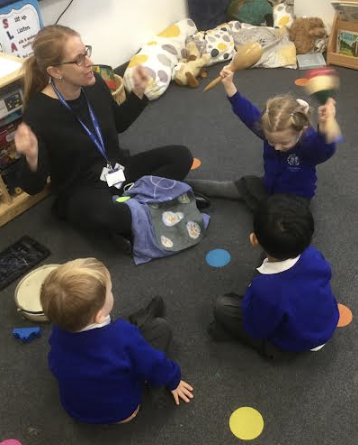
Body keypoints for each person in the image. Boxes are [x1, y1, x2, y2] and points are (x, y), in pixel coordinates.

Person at [15, 25, 194, 246]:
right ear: (55, 71)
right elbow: (33, 186)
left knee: (181, 156)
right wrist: (31, 156)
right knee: (115, 216)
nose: (89, 62)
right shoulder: (39, 114)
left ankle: (133, 208)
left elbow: (118, 123)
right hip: (82, 189)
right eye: (78, 59)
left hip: (118, 169)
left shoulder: (94, 84)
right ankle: (140, 206)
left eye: (86, 52)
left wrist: (138, 92)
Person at [40, 257, 194, 424]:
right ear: (99, 316)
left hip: (76, 409)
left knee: (123, 334)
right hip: (123, 411)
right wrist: (174, 380)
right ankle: (154, 386)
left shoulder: (59, 329)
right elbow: (155, 363)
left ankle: (140, 318)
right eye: (110, 291)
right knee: (160, 328)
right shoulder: (122, 336)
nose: (112, 293)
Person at [187, 66, 342, 213]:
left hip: (296, 197)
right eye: (271, 141)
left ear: (301, 130)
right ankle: (185, 185)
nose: (277, 147)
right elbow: (248, 114)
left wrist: (324, 127)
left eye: (284, 143)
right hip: (267, 186)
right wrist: (229, 85)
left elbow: (323, 149)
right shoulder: (271, 131)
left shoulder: (307, 143)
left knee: (280, 220)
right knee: (233, 187)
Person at [208, 194, 339, 359]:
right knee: (265, 263)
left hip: (292, 343)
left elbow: (256, 328)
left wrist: (253, 294)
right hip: (326, 323)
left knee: (222, 307)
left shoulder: (266, 291)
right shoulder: (313, 254)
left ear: (254, 239)